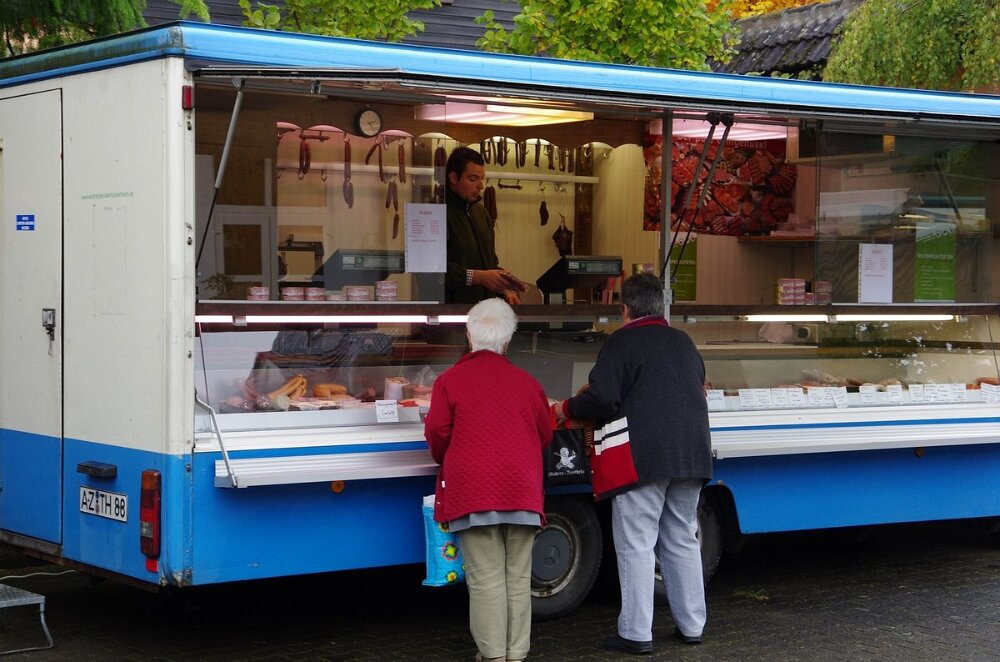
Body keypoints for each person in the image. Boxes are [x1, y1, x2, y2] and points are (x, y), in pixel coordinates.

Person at [555, 272, 713, 656]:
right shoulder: (683, 341)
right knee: (682, 537)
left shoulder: (622, 341)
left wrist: (566, 408)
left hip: (642, 455)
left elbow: (603, 398)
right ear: (661, 307)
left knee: (637, 543)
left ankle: (636, 632)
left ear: (625, 309)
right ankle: (692, 625)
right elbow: (698, 386)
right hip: (692, 453)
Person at [424, 298, 553, 662]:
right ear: (508, 341)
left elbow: (437, 433)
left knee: (485, 578)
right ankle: (516, 653)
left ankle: (494, 656)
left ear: (469, 336)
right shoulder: (528, 384)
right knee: (518, 577)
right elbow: (545, 434)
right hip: (523, 491)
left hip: (474, 491)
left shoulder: (449, 382)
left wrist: (452, 458)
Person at [444, 146, 527, 304]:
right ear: (453, 177)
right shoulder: (436, 213)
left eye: (482, 178)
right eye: (473, 179)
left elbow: (490, 263)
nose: (480, 186)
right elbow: (432, 274)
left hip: (485, 310)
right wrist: (479, 277)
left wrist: (504, 288)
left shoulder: (481, 213)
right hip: (451, 311)